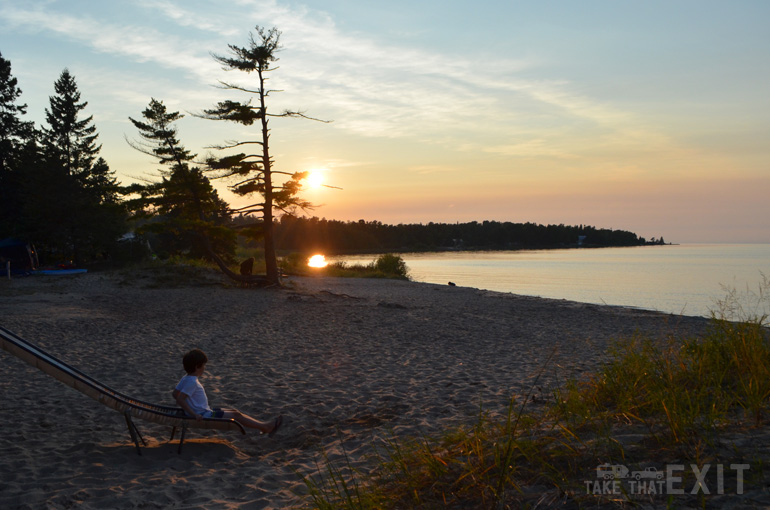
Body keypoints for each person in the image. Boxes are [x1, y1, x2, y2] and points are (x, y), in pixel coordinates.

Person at [172, 348, 282, 436]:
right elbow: (180, 398)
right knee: (236, 415)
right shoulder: (192, 382)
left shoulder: (185, 378)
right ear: (197, 367)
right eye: (204, 366)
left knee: (235, 412)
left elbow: (175, 394)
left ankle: (263, 426)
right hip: (205, 414)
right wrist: (193, 414)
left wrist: (190, 407)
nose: (204, 368)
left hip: (204, 411)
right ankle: (265, 427)